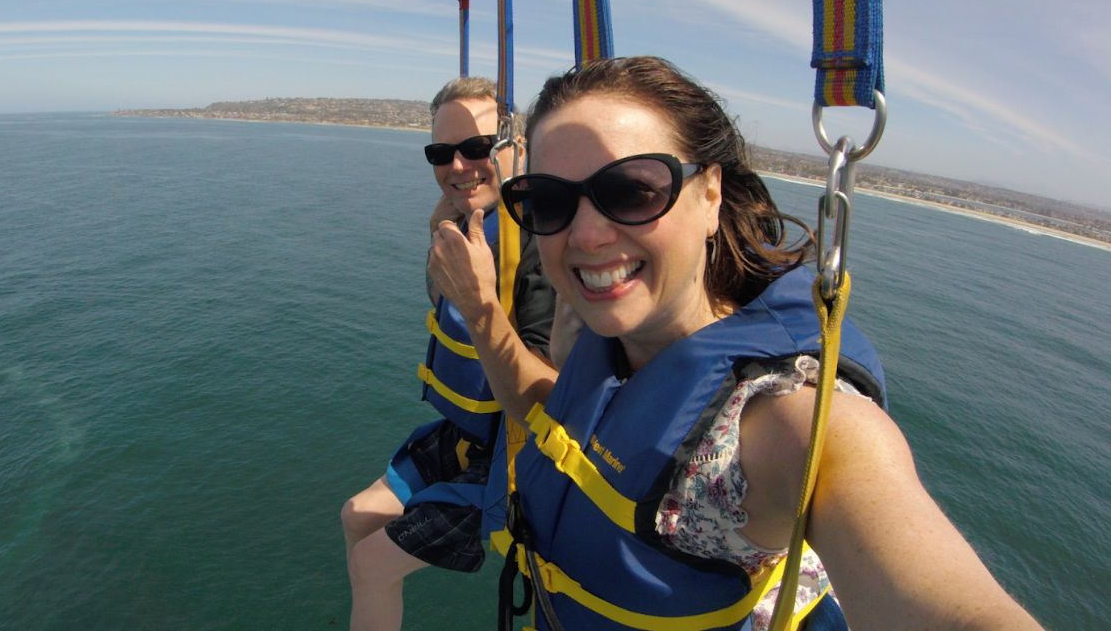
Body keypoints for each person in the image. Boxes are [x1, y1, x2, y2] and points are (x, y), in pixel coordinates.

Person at [440, 56, 1040, 630]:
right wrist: (480, 305)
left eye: (634, 189)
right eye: (548, 201)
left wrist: (481, 307)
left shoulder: (781, 422)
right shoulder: (592, 329)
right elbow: (551, 416)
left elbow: (945, 606)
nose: (588, 233)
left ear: (710, 195)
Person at [340, 77, 557, 631]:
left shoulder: (544, 242)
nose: (458, 166)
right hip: (471, 436)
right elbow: (440, 294)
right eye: (442, 153)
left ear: (518, 150)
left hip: (516, 455)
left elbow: (545, 396)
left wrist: (481, 301)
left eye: (478, 149)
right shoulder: (468, 225)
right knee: (357, 517)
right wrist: (443, 222)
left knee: (373, 563)